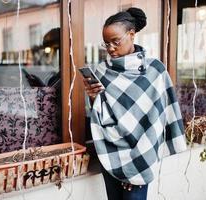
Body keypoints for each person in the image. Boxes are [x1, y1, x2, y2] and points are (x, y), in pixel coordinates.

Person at [82, 7, 187, 200]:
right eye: (106, 44)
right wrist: (93, 97)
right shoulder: (102, 71)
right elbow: (103, 115)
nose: (111, 48)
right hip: (111, 154)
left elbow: (155, 123)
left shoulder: (154, 70)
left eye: (115, 41)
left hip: (141, 156)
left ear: (131, 35)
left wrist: (135, 170)